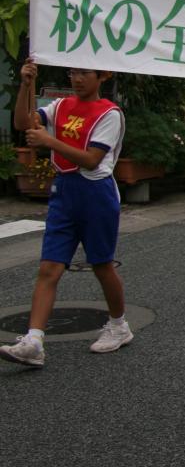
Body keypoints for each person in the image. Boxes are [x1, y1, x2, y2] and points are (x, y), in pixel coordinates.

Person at [1, 62, 130, 368]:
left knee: (101, 264)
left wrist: (49, 141)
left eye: (85, 72)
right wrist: (25, 84)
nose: (77, 79)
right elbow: (23, 122)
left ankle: (119, 325)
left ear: (103, 75)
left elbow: (91, 159)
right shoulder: (60, 106)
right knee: (49, 267)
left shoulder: (109, 113)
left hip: (96, 194)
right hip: (63, 193)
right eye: (72, 73)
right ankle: (34, 340)